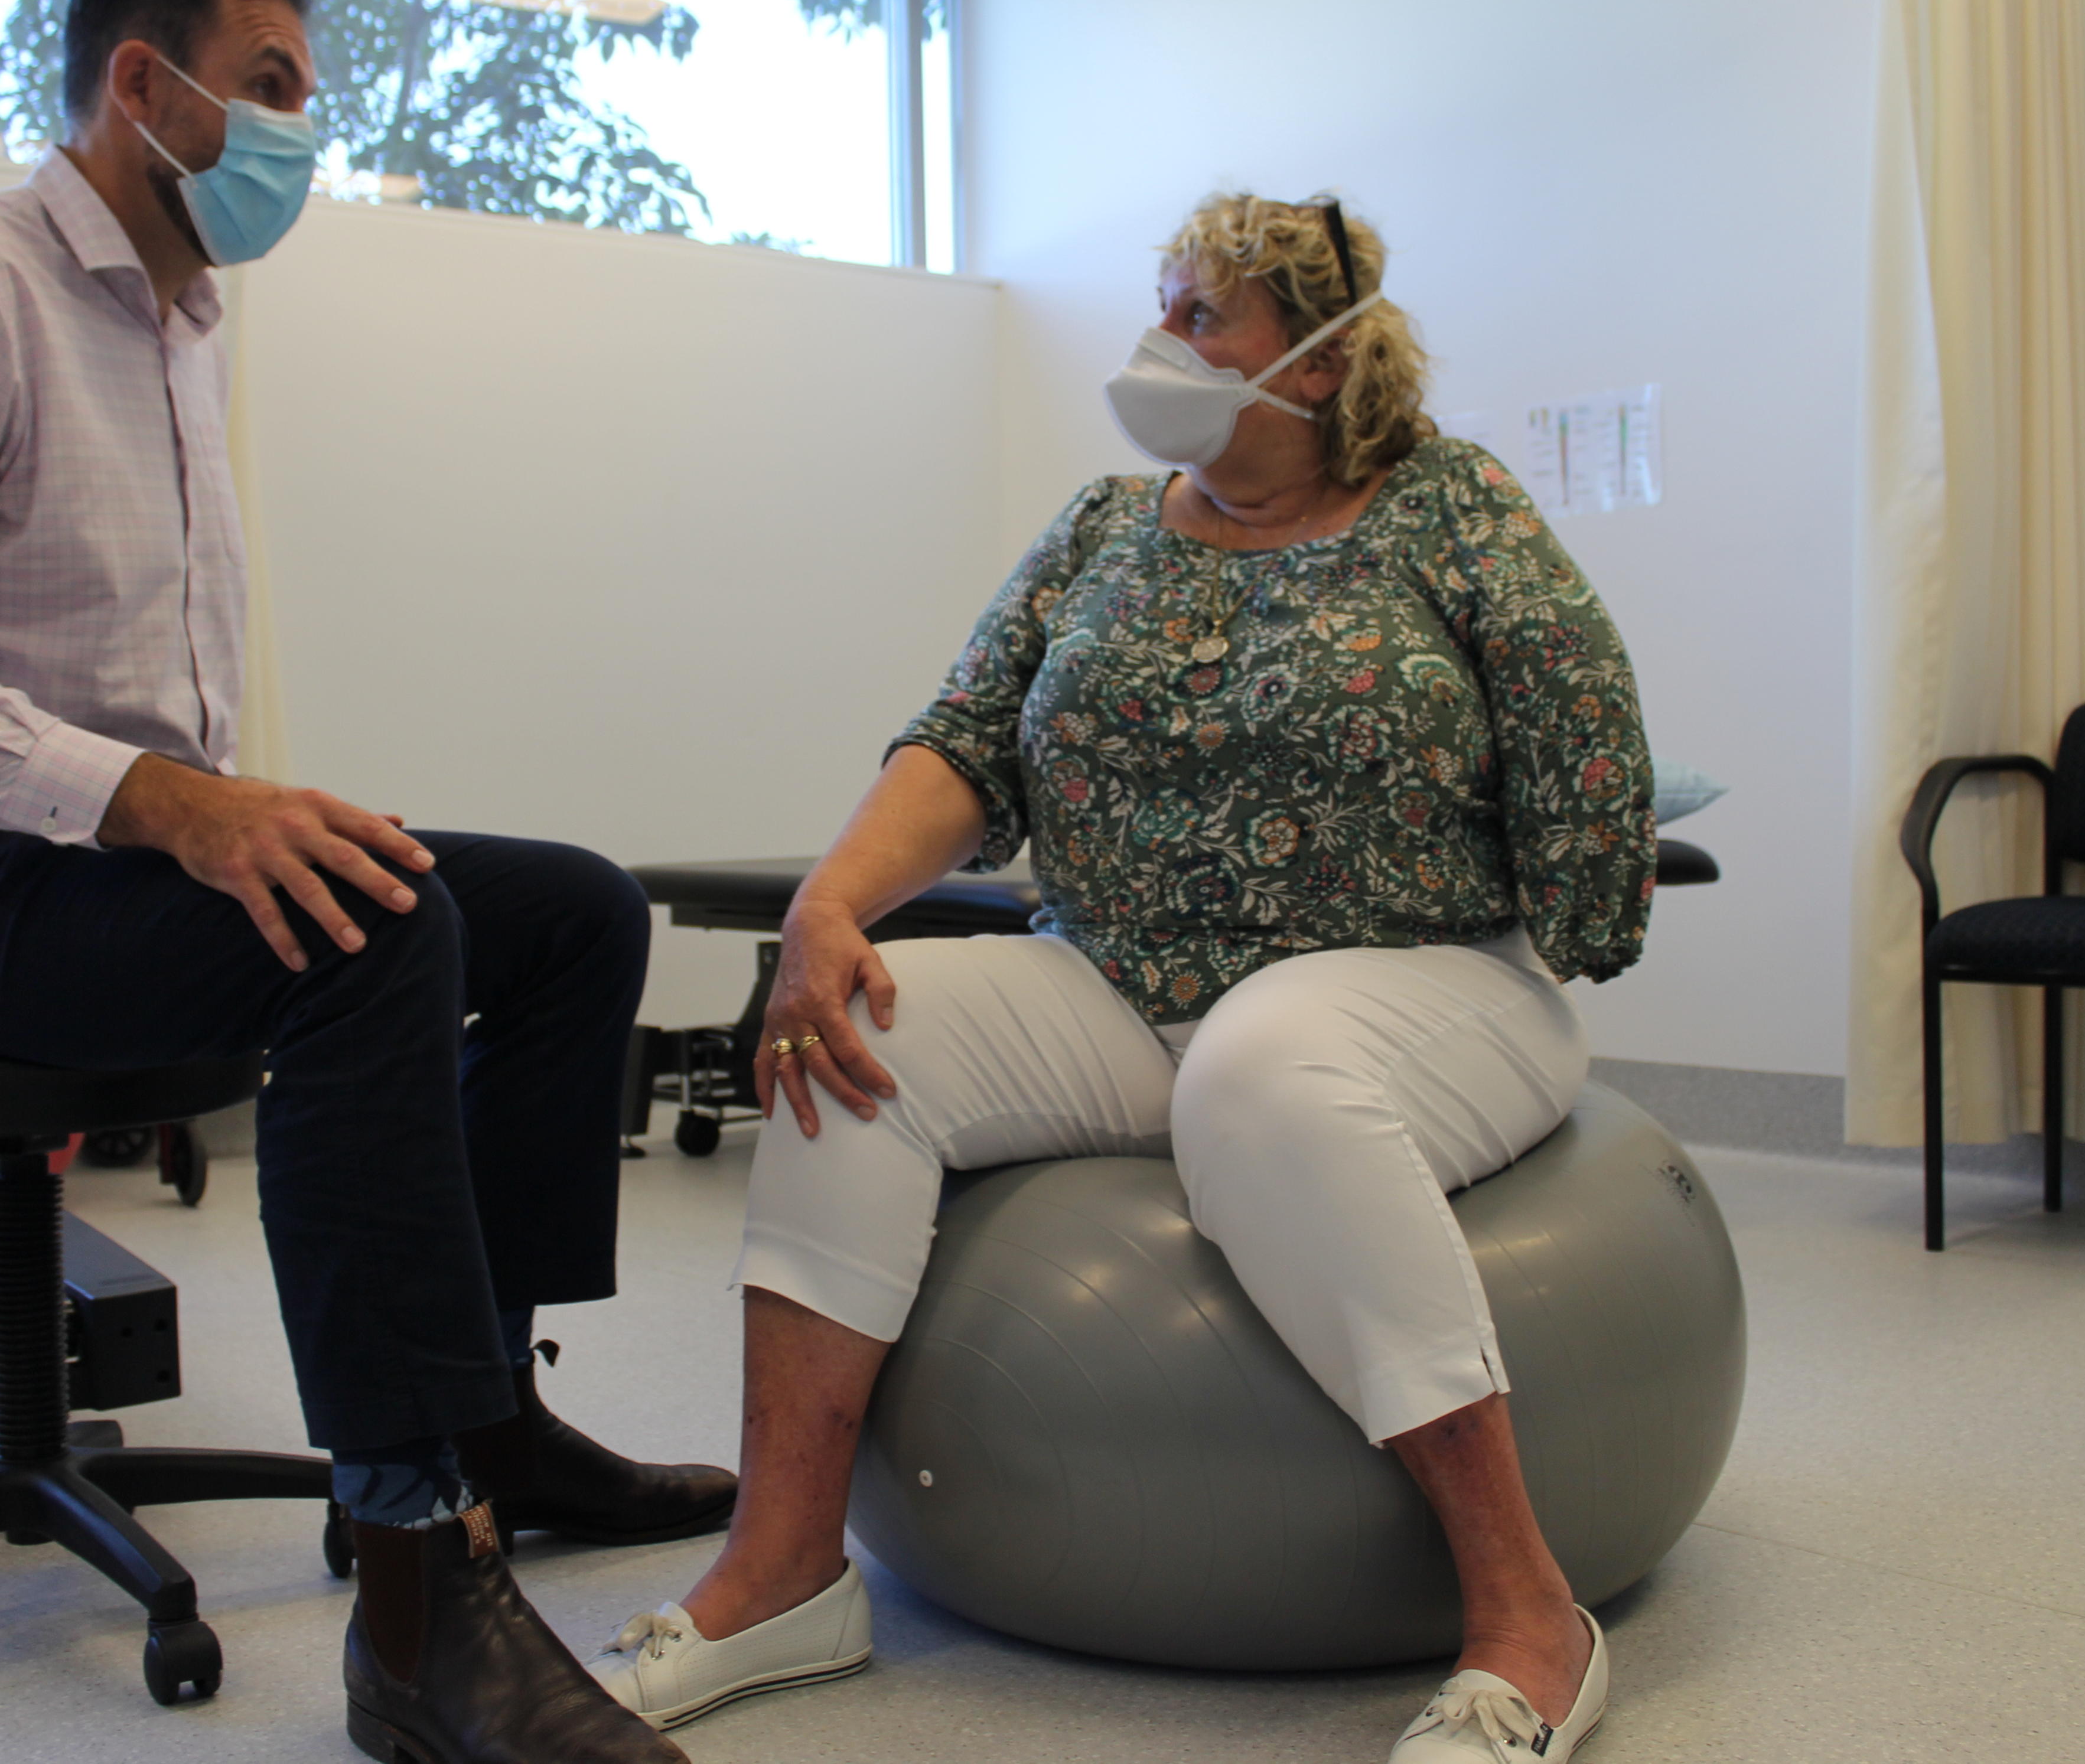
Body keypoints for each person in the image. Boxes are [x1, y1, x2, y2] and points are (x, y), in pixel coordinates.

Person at [0, 0, 721, 1764]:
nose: (300, 129)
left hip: (90, 863)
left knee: (571, 914)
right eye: (271, 86)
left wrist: (203, 812)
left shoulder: (185, 322)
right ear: (146, 84)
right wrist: (172, 807)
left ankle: (491, 1421)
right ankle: (419, 1579)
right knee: (367, 936)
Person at [587, 195, 1655, 1763]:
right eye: (1163, 306)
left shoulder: (1451, 509)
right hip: (1123, 979)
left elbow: (1588, 748)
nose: (1161, 346)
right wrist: (831, 909)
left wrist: (1580, 906)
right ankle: (786, 1569)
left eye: (1200, 315)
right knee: (849, 1034)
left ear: (1318, 355)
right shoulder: (1101, 526)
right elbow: (961, 739)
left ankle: (1526, 1613)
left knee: (1266, 1070)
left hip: (1430, 984)